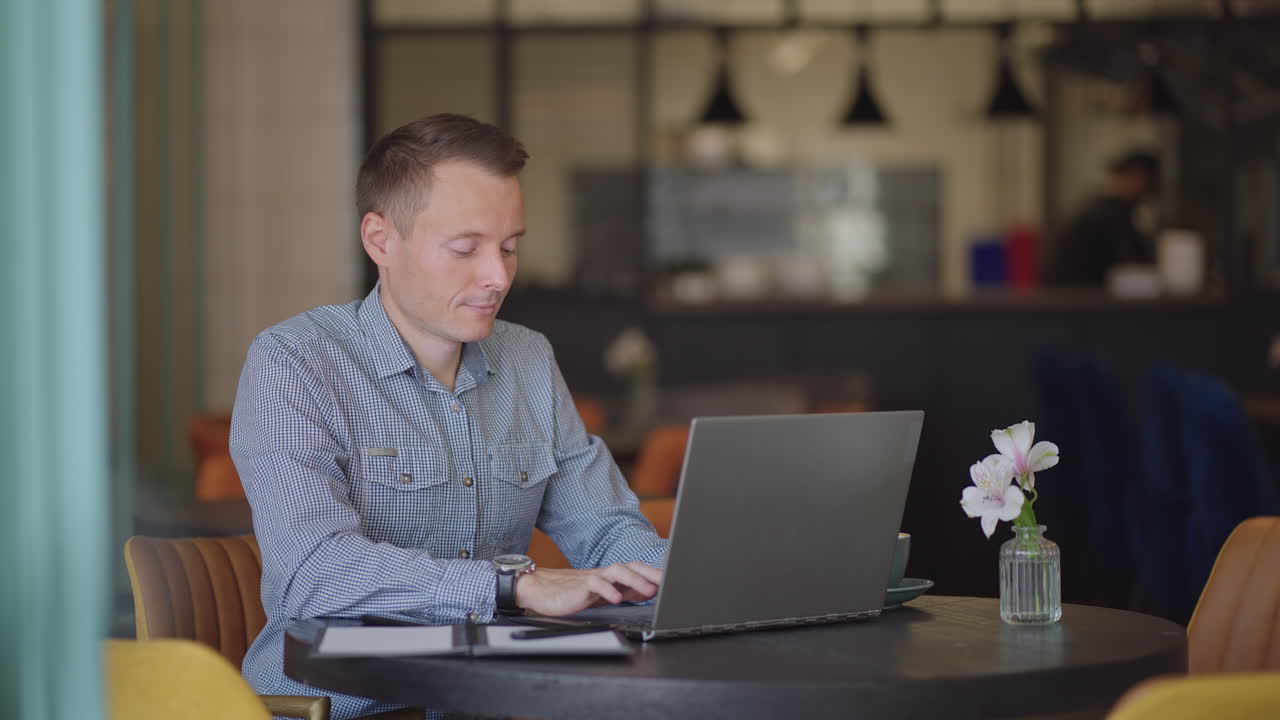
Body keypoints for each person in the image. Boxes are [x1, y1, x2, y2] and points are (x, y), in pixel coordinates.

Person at [230, 113, 668, 719]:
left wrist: (676, 580)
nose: (497, 277)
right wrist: (510, 586)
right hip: (350, 707)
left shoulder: (528, 358)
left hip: (496, 697)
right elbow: (314, 570)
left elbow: (606, 529)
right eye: (465, 249)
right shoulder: (295, 363)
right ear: (380, 239)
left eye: (510, 247)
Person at [1045, 149, 1161, 287]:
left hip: (1080, 295)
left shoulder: (1107, 208)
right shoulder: (1108, 212)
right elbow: (1128, 264)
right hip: (1082, 296)